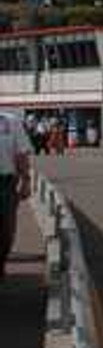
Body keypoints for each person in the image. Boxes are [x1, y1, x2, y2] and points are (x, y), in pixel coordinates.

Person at [0, 105, 30, 266]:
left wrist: (26, 181)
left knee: (6, 231)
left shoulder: (11, 122)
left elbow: (21, 154)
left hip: (6, 184)